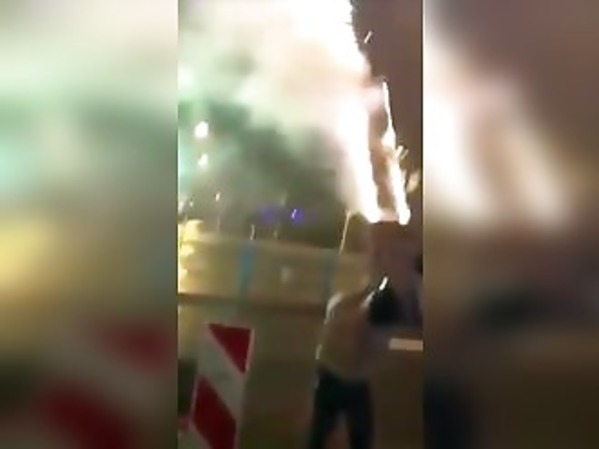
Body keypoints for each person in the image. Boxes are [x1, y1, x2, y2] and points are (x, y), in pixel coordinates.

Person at [307, 221, 421, 449]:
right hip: (350, 380)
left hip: (368, 385)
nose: (380, 260)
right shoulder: (355, 301)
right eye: (377, 253)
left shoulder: (396, 294)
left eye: (392, 254)